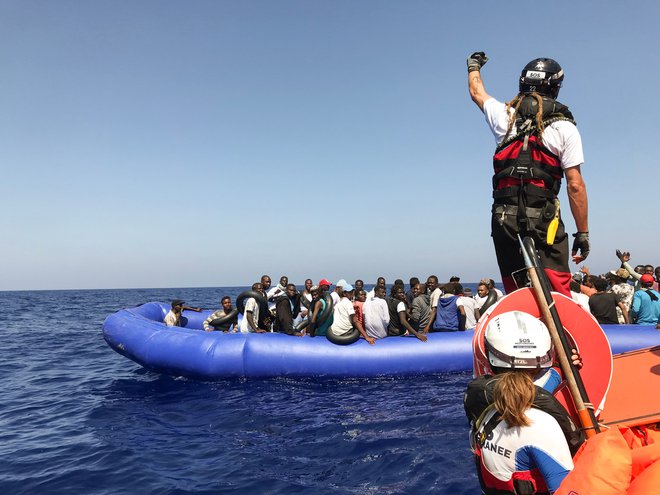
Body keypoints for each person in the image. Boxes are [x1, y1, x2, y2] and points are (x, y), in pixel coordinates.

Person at [467, 52, 590, 297]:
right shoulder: (565, 127)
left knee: (515, 287)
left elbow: (476, 91)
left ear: (523, 83)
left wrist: (473, 66)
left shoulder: (504, 116)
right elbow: (575, 186)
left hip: (504, 218)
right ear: (555, 88)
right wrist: (583, 233)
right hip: (544, 219)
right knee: (557, 288)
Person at [464, 311, 585, 494]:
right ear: (542, 360)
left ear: (490, 356)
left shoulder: (482, 400)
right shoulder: (541, 425)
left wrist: (562, 368)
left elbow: (534, 391)